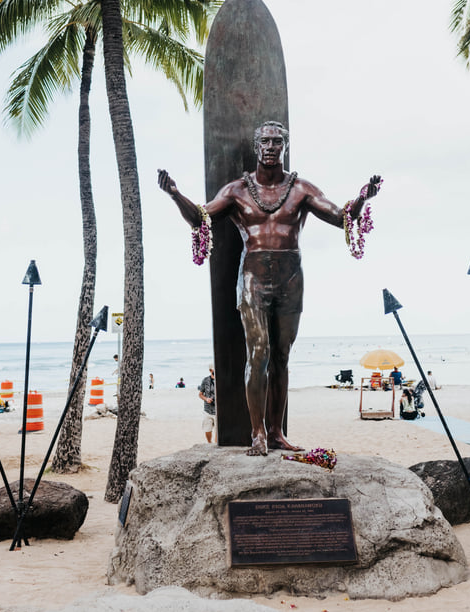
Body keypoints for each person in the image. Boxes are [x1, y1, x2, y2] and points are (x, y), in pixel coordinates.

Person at [158, 120, 382, 456]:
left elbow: (340, 216)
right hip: (253, 278)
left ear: (285, 147)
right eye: (265, 141)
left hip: (291, 278)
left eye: (277, 141)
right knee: (259, 352)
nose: (271, 147)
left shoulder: (301, 189)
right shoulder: (237, 191)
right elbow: (200, 218)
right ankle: (258, 433)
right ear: (256, 145)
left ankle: (277, 432)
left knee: (281, 357)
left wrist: (363, 198)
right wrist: (175, 194)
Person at [198, 366, 216, 443]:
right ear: (210, 370)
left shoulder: (222, 379)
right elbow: (200, 394)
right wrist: (206, 399)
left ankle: (216, 444)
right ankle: (209, 443)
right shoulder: (205, 380)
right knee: (207, 430)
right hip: (207, 410)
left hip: (218, 411)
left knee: (218, 431)